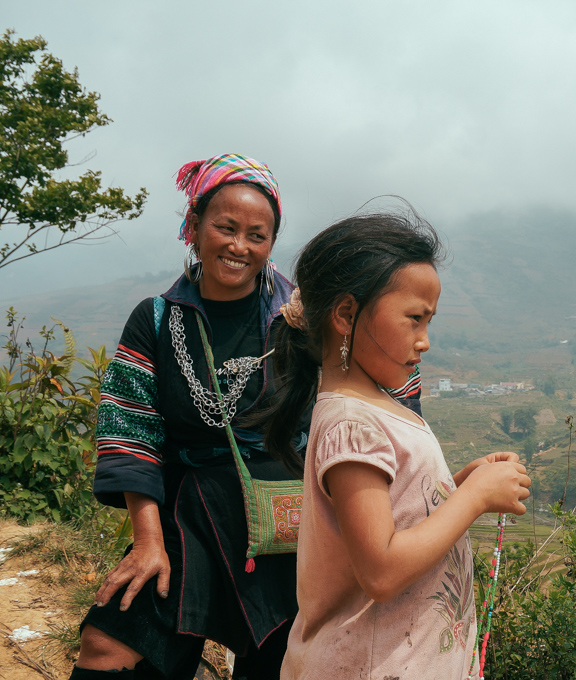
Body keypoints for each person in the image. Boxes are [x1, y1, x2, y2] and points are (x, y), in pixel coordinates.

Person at [258, 212, 532, 679]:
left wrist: (458, 484)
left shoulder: (375, 407)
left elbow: (394, 509)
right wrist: (473, 498)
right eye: (414, 319)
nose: (424, 341)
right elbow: (381, 570)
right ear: (346, 315)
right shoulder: (351, 424)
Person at [72, 154, 313, 680]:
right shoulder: (156, 319)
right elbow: (130, 431)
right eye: (226, 228)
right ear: (194, 226)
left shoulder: (298, 322)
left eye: (257, 235)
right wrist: (147, 541)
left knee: (278, 662)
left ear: (272, 242)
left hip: (283, 522)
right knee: (108, 644)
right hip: (188, 515)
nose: (239, 246)